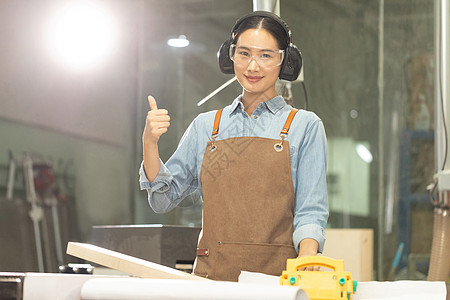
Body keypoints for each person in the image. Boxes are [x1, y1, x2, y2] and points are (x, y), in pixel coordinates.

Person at [139, 11, 328, 281]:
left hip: (278, 283)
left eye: (265, 55)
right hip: (212, 282)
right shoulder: (206, 126)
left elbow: (311, 210)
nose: (253, 67)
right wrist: (149, 143)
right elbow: (161, 199)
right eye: (244, 54)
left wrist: (307, 258)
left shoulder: (305, 126)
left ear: (285, 61)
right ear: (230, 57)